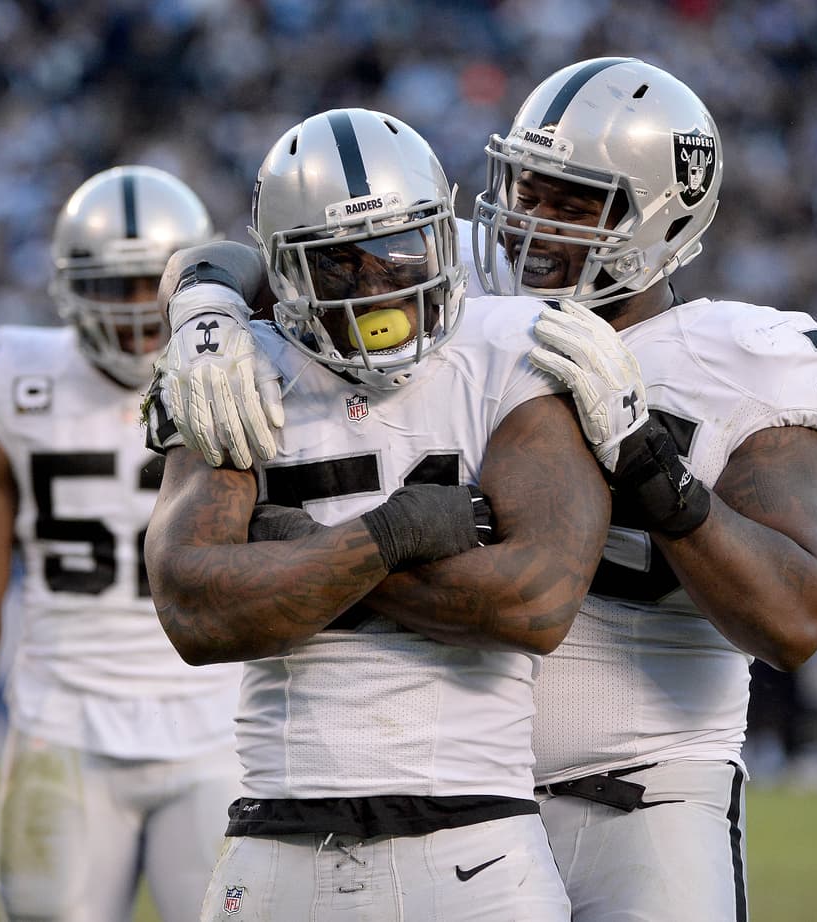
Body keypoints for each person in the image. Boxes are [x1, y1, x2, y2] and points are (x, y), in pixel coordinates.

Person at [158, 59, 817, 921]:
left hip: (645, 796)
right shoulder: (461, 282)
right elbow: (266, 247)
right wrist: (205, 310)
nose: (531, 221)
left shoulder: (745, 357)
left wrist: (644, 458)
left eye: (572, 201)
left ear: (664, 211)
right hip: (472, 803)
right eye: (523, 185)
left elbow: (794, 621)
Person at [142, 107, 614, 921]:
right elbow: (197, 610)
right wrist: (394, 535)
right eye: (340, 266)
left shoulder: (516, 346)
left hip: (475, 841)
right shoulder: (236, 363)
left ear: (444, 233)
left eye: (398, 254)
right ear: (281, 274)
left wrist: (305, 557)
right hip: (278, 833)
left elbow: (535, 600)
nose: (379, 289)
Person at [0, 165, 244, 922]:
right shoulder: (16, 381)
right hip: (64, 729)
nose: (132, 311)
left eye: (150, 283)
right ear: (65, 287)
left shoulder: (247, 369)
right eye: (110, 285)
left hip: (224, 727)